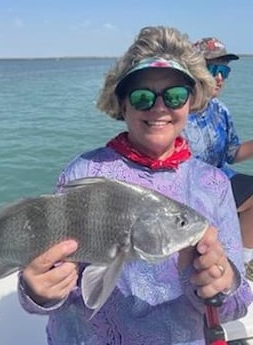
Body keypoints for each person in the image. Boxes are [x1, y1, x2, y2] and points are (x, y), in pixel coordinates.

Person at [17, 26, 253, 345]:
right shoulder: (83, 172)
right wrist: (37, 291)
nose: (159, 107)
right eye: (142, 97)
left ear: (191, 102)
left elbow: (234, 305)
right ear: (122, 104)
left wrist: (219, 286)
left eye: (175, 95)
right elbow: (58, 283)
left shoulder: (213, 185)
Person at [182, 37, 253, 279]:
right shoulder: (175, 111)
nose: (219, 78)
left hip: (221, 181)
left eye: (224, 71)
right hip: (189, 193)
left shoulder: (221, 111)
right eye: (212, 69)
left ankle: (241, 264)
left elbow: (231, 154)